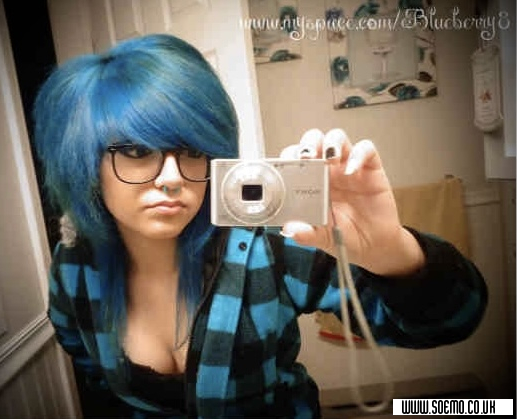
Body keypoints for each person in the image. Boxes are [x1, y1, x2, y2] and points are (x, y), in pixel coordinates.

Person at [32, 33, 487, 418]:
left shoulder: (268, 245)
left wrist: (391, 251)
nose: (172, 178)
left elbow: (454, 321)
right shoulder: (74, 265)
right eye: (136, 151)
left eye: (191, 152)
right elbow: (86, 362)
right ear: (86, 163)